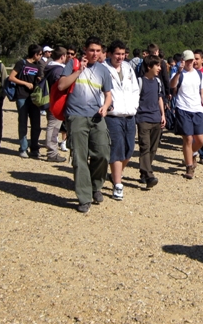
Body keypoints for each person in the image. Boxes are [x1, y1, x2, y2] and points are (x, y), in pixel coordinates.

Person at [57, 37, 113, 213]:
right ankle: (84, 197)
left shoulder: (103, 70)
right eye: (91, 50)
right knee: (80, 158)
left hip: (97, 116)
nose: (94, 54)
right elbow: (61, 86)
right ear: (85, 50)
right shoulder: (73, 64)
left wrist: (105, 106)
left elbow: (108, 94)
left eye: (98, 50)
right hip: (76, 116)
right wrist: (78, 71)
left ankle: (96, 186)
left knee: (103, 153)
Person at [104, 40, 139, 201]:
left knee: (129, 149)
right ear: (110, 53)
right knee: (117, 149)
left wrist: (134, 106)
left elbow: (135, 89)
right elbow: (100, 90)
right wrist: (106, 106)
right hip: (113, 115)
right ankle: (118, 184)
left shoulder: (128, 68)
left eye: (122, 54)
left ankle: (115, 173)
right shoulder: (103, 69)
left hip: (129, 114)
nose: (120, 57)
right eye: (117, 53)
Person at [170, 50, 203, 179]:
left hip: (197, 109)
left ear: (194, 60)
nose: (189, 63)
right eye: (186, 60)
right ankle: (189, 167)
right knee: (188, 139)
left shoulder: (199, 75)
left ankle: (192, 153)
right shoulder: (179, 74)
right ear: (183, 61)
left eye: (191, 60)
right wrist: (178, 72)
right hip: (183, 109)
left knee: (200, 139)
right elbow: (172, 86)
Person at [136, 54, 166, 188]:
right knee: (145, 147)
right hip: (143, 119)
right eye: (157, 65)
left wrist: (163, 115)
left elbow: (160, 98)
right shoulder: (139, 82)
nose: (160, 68)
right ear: (149, 66)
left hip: (156, 118)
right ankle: (149, 175)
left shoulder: (158, 82)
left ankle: (144, 173)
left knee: (153, 149)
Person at [8, 44, 43, 158]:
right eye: (40, 54)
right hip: (22, 96)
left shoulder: (38, 66)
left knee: (36, 124)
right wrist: (25, 83)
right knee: (23, 122)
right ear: (35, 54)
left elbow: (39, 78)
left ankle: (34, 148)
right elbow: (11, 77)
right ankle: (23, 148)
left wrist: (39, 79)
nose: (41, 56)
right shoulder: (21, 63)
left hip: (34, 98)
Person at [43, 46, 68, 163]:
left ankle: (51, 151)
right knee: (53, 127)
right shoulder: (58, 70)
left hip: (50, 100)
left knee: (52, 126)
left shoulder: (49, 67)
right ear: (62, 56)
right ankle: (52, 152)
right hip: (56, 101)